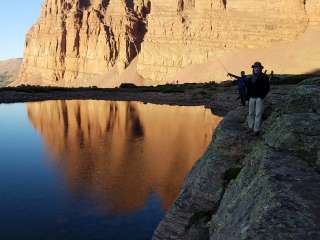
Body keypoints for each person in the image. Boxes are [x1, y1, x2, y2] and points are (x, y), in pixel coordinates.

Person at [246, 62, 271, 136]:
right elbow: (248, 89)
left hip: (259, 98)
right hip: (251, 98)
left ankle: (256, 130)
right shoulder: (251, 77)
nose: (256, 69)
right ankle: (250, 128)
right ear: (253, 69)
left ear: (260, 68)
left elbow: (267, 88)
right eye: (255, 67)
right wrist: (247, 98)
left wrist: (262, 96)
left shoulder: (264, 76)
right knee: (251, 113)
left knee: (258, 114)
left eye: (257, 67)